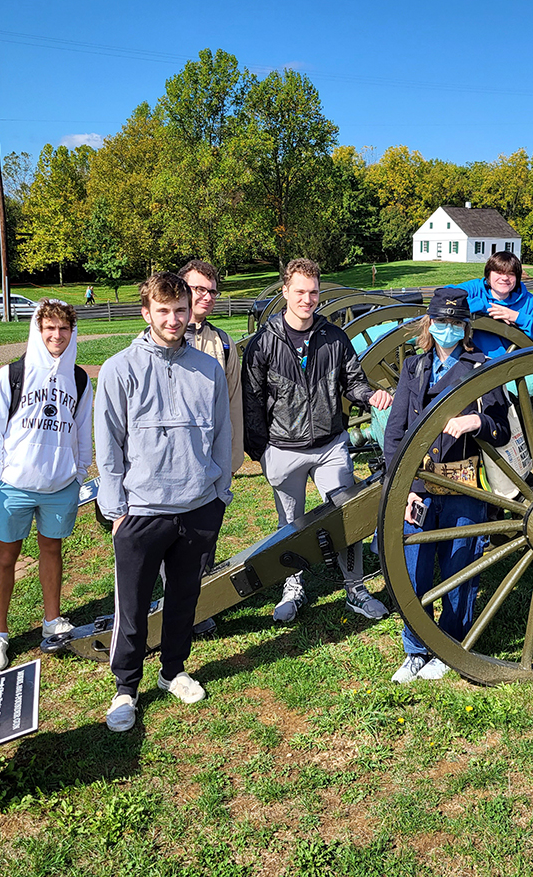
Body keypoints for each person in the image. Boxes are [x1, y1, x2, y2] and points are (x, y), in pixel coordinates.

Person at [95, 272, 232, 732]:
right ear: (146, 312)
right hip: (142, 510)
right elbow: (108, 445)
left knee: (183, 599)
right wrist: (116, 510)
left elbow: (222, 434)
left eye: (180, 310)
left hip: (197, 505)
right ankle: (125, 688)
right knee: (131, 607)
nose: (173, 319)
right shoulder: (119, 368)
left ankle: (173, 669)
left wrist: (219, 494)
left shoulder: (208, 368)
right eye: (163, 310)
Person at [242, 258, 393, 623]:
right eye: (299, 292)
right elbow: (251, 401)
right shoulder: (264, 343)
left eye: (313, 292)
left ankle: (354, 587)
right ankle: (292, 587)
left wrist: (369, 395)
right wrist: (262, 453)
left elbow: (352, 380)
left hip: (329, 446)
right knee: (289, 525)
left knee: (347, 518)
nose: (307, 299)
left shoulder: (334, 337)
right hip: (283, 448)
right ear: (285, 292)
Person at [383, 288, 510, 682]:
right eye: (441, 322)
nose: (447, 329)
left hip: (463, 486)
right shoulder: (414, 368)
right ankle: (416, 649)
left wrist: (479, 422)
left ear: (465, 327)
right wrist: (399, 491)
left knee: (459, 569)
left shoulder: (481, 368)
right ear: (430, 324)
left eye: (455, 323)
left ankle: (450, 645)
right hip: (418, 484)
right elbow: (395, 434)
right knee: (414, 570)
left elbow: (503, 430)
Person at [0, 299, 93, 671]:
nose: (56, 336)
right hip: (14, 484)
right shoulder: (12, 374)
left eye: (63, 329)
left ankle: (52, 620)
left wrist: (77, 473)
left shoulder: (78, 379)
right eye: (49, 329)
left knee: (52, 551)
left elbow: (82, 430)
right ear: (37, 330)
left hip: (60, 484)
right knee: (6, 556)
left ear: (71, 332)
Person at [178, 260, 244, 474]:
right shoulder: (155, 339)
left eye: (213, 291)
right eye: (199, 289)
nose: (207, 297)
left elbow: (234, 400)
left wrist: (233, 458)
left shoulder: (223, 342)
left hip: (212, 458)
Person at [457, 251, 533, 357]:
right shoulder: (475, 289)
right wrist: (484, 306)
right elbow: (442, 298)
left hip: (514, 368)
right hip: (470, 363)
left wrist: (517, 317)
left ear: (517, 277)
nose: (505, 278)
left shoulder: (529, 302)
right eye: (498, 272)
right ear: (488, 274)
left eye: (511, 273)